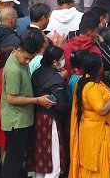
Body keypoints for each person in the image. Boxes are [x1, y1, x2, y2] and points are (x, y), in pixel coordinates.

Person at [69, 51, 110, 178]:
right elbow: (102, 110)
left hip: (93, 133)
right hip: (98, 135)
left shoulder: (86, 81)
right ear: (98, 67)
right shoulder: (91, 87)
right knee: (100, 171)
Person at [2, 32, 53, 178]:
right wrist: (37, 100)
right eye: (25, 58)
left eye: (30, 59)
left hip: (21, 119)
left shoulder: (18, 59)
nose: (27, 62)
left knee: (15, 159)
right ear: (18, 50)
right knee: (14, 161)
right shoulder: (14, 70)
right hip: (16, 121)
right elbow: (12, 98)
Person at [28, 46, 69, 178]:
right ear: (55, 62)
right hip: (50, 120)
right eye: (62, 59)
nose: (64, 61)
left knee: (41, 159)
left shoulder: (37, 73)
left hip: (36, 117)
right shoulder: (55, 79)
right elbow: (61, 105)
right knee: (53, 161)